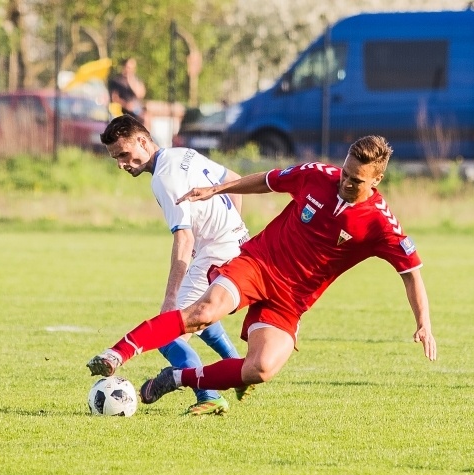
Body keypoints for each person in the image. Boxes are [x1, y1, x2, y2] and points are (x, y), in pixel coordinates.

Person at [87, 135, 437, 413]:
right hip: (257, 264)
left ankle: (177, 378)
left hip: (292, 300)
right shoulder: (317, 175)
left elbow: (411, 272)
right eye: (345, 172)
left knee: (261, 369)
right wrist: (216, 189)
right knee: (203, 313)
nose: (345, 181)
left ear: (377, 179)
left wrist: (424, 323)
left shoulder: (381, 223)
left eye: (356, 179)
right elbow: (266, 181)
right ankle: (117, 353)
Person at [96, 114, 252, 415]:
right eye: (116, 159)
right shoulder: (182, 154)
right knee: (199, 314)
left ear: (143, 141)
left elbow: (184, 238)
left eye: (124, 155)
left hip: (215, 253)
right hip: (237, 245)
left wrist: (169, 299)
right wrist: (234, 226)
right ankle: (236, 369)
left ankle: (209, 395)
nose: (122, 164)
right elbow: (232, 179)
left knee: (168, 332)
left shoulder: (163, 178)